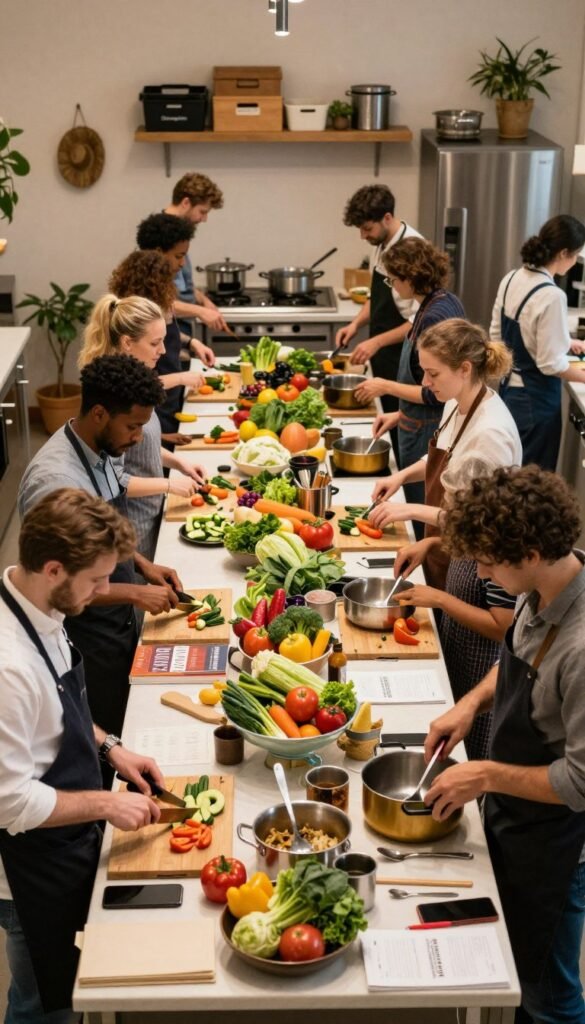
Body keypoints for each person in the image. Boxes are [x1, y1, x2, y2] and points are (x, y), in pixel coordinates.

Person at [423, 465, 585, 1023]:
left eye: (490, 562)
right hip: (517, 823)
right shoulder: (540, 589)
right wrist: (470, 704)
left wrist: (487, 775)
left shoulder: (583, 648)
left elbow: (580, 783)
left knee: (550, 995)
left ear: (533, 550)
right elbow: (514, 659)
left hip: (560, 849)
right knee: (514, 972)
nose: (483, 572)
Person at [0, 487, 166, 1021]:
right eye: (96, 580)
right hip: (27, 872)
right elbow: (10, 803)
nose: (104, 590)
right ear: (53, 569)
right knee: (44, 1006)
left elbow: (57, 708)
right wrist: (107, 805)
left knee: (77, 989)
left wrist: (110, 747)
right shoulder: (6, 666)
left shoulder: (37, 606)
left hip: (64, 846)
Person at [369, 321, 520, 759]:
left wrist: (412, 512)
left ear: (466, 368)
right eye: (423, 371)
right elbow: (437, 454)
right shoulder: (461, 402)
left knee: (473, 708)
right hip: (457, 555)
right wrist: (402, 478)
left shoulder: (490, 434)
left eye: (433, 373)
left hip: (473, 565)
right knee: (447, 683)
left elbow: (475, 521)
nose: (425, 382)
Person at [18, 355, 185, 741]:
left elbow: (105, 533)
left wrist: (142, 564)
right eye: (132, 426)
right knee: (105, 736)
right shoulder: (58, 483)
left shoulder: (99, 447)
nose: (139, 437)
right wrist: (136, 593)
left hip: (116, 622)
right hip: (85, 636)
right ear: (98, 413)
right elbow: (59, 586)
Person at [80, 294, 207, 559]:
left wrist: (177, 463)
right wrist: (169, 485)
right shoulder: (116, 398)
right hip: (134, 527)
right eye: (155, 343)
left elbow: (139, 446)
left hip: (152, 513)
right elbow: (114, 479)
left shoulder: (137, 382)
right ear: (127, 343)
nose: (163, 350)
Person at [356, 237, 464, 501]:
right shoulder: (438, 301)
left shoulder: (434, 318)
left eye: (393, 279)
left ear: (410, 278)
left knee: (420, 506)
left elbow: (435, 393)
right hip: (416, 421)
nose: (392, 286)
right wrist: (399, 414)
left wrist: (384, 387)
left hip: (427, 428)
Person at [490, 213, 585, 470]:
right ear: (564, 253)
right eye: (576, 255)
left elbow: (498, 334)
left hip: (509, 393)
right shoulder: (553, 295)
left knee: (512, 475)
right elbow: (549, 365)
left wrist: (565, 341)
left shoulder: (511, 278)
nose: (575, 261)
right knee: (534, 484)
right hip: (537, 404)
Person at [335, 185, 422, 456]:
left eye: (367, 229)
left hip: (404, 357)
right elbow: (377, 296)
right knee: (384, 421)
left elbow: (417, 320)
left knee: (400, 432)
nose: (363, 236)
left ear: (387, 218)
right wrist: (356, 325)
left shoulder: (413, 250)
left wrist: (376, 342)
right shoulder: (382, 243)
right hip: (383, 355)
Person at [135, 213, 224, 439]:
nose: (182, 263)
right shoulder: (140, 306)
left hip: (169, 402)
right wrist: (183, 378)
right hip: (153, 411)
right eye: (178, 256)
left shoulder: (160, 289)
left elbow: (170, 333)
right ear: (158, 253)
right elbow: (136, 385)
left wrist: (193, 343)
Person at [108, 249, 197, 449]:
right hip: (163, 406)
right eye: (155, 343)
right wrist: (181, 378)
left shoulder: (156, 314)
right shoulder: (126, 381)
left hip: (164, 414)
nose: (162, 350)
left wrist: (191, 342)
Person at [163, 171, 225, 336]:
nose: (204, 219)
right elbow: (154, 302)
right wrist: (199, 311)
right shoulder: (160, 237)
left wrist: (203, 301)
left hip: (181, 326)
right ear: (185, 202)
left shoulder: (177, 235)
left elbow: (180, 284)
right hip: (165, 330)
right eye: (202, 212)